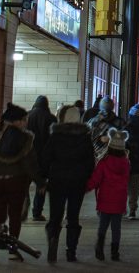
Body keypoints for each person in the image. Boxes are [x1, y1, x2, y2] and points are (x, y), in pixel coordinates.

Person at [0, 103, 43, 261]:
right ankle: (13, 249)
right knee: (15, 215)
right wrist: (40, 182)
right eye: (24, 120)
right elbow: (30, 163)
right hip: (16, 181)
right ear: (18, 121)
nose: (26, 123)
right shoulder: (26, 138)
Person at [41, 105, 94, 263]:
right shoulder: (84, 137)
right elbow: (90, 162)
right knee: (73, 217)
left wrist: (43, 178)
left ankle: (53, 239)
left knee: (55, 215)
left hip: (57, 180)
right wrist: (85, 178)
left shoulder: (55, 136)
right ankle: (71, 251)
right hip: (77, 182)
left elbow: (45, 158)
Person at [87, 130, 130, 262]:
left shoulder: (103, 162)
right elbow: (126, 181)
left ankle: (99, 248)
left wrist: (84, 188)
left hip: (105, 200)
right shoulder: (126, 163)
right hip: (119, 201)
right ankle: (114, 252)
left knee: (103, 226)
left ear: (109, 146)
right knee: (116, 228)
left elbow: (95, 180)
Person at [26, 95, 55, 222]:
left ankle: (23, 208)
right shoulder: (51, 118)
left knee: (24, 184)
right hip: (43, 158)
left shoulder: (27, 116)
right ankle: (37, 212)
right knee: (41, 185)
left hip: (27, 156)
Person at [123, 105, 139, 219]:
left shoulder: (127, 127)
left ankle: (122, 209)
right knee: (134, 186)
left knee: (123, 186)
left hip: (126, 161)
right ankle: (132, 210)